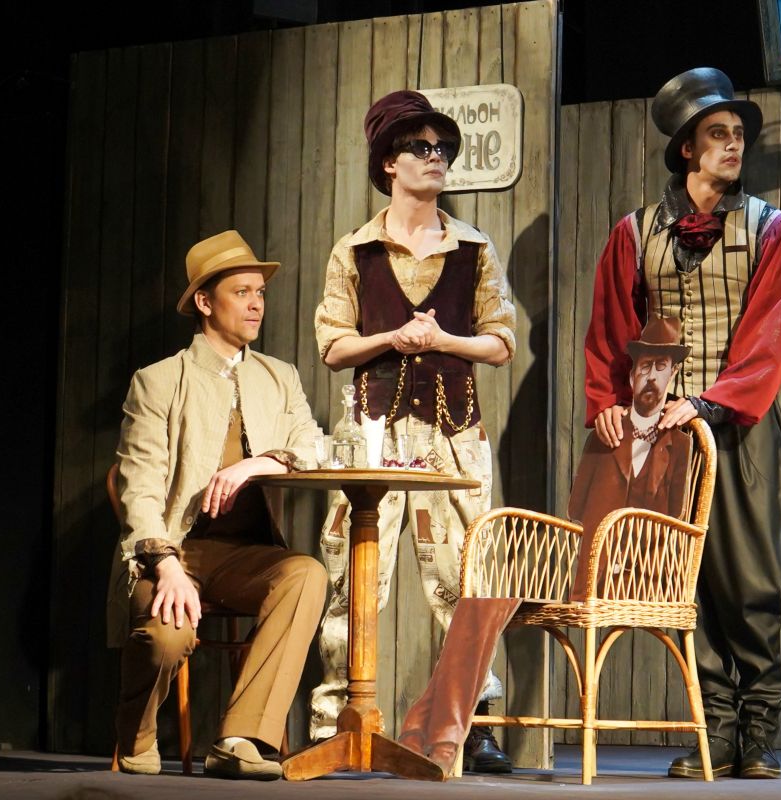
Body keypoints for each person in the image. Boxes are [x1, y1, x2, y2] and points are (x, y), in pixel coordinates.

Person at [582, 68, 781, 780]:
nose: (733, 145)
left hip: (737, 425)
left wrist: (711, 402)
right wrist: (608, 404)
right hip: (663, 435)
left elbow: (769, 336)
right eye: (718, 134)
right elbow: (611, 330)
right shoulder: (634, 232)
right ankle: (715, 731)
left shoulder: (771, 229)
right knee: (687, 582)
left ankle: (758, 729)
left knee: (750, 580)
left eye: (738, 134)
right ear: (687, 149)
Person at [311, 90, 516, 773]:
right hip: (372, 431)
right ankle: (335, 721)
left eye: (442, 149)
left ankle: (474, 722)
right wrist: (392, 337)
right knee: (352, 579)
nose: (436, 159)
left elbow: (502, 341)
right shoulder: (356, 250)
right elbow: (333, 345)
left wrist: (444, 339)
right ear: (388, 163)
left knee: (466, 579)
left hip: (452, 433)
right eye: (421, 148)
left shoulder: (473, 248)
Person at [108, 230, 328, 780]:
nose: (256, 304)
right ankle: (136, 733)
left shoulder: (279, 376)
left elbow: (313, 446)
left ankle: (238, 738)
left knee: (306, 575)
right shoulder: (159, 381)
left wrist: (258, 463)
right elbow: (138, 487)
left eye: (260, 293)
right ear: (205, 303)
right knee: (167, 637)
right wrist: (166, 566)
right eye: (241, 292)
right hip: (172, 552)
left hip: (243, 557)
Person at [568, 316, 693, 541]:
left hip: (652, 561)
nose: (651, 376)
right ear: (632, 377)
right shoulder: (604, 435)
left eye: (661, 366)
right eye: (645, 366)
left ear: (672, 374)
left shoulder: (680, 445)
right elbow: (575, 511)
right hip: (598, 558)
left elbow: (677, 519)